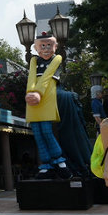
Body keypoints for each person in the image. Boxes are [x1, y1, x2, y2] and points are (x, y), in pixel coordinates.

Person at [24, 32, 71, 179]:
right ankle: (46, 164)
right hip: (33, 99)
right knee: (37, 133)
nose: (46, 49)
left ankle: (59, 162)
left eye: (49, 45)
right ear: (36, 48)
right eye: (42, 46)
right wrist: (30, 93)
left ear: (55, 47)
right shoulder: (33, 61)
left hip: (46, 95)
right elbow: (31, 77)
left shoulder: (56, 58)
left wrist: (38, 92)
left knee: (46, 130)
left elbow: (47, 76)